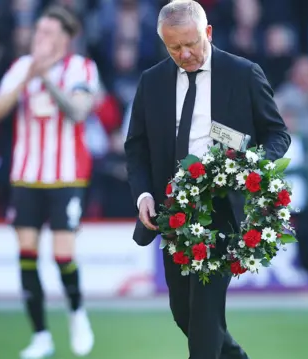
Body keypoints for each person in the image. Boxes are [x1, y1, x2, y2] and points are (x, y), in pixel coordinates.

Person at [124, 1, 291, 358]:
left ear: (208, 33)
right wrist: (142, 196)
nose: (185, 54)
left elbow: (277, 134)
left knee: (202, 317)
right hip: (173, 214)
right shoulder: (151, 81)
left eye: (191, 44)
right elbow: (136, 148)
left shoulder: (243, 73)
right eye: (174, 47)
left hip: (224, 212)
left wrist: (251, 164)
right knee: (184, 312)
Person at [0, 5, 98, 359]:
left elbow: (78, 111)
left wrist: (47, 78)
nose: (39, 38)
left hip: (66, 177)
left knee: (63, 255)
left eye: (48, 33)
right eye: (38, 32)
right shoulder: (21, 68)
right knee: (27, 255)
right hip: (26, 177)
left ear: (65, 39)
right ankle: (40, 336)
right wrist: (27, 76)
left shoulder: (81, 68)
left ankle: (77, 313)